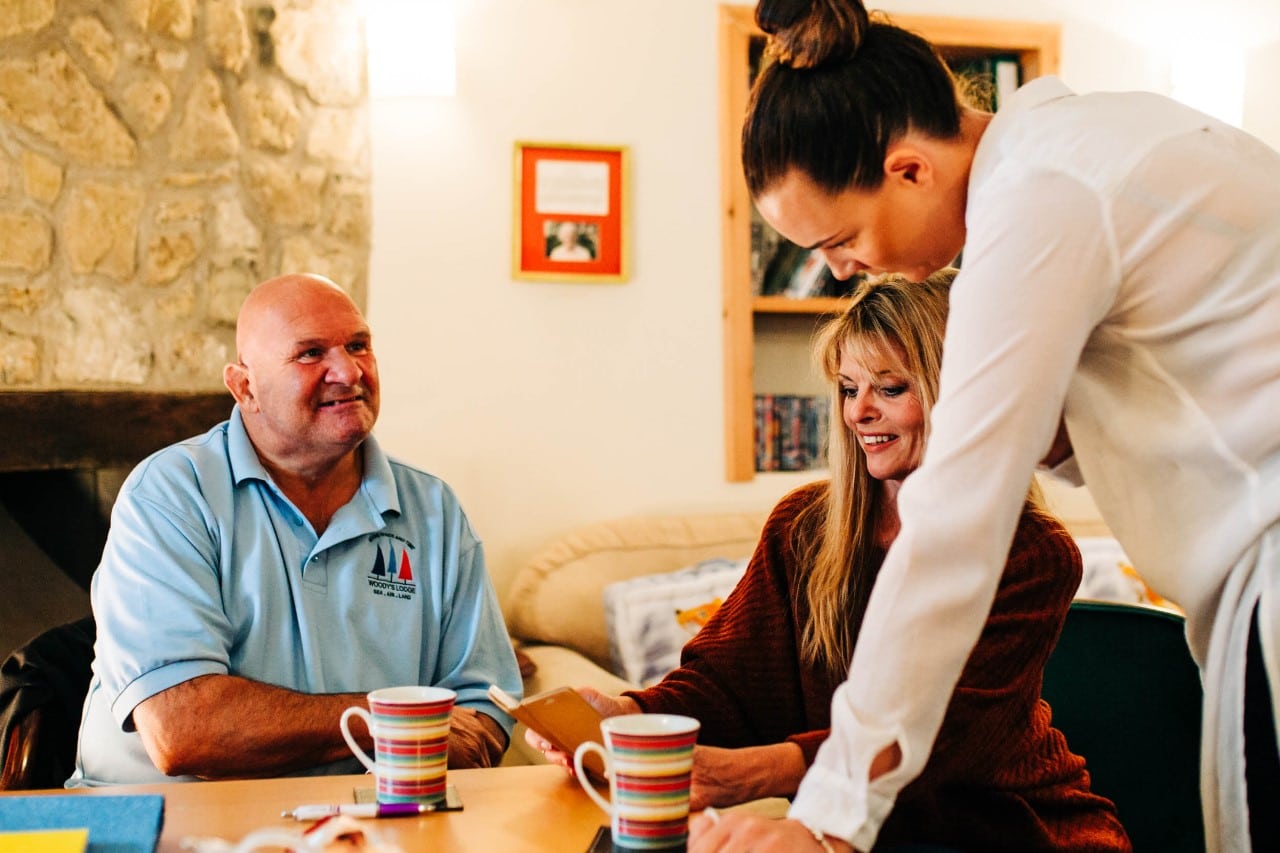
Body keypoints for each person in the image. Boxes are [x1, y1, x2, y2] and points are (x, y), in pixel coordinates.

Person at [690, 1, 1280, 851]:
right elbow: (1186, 387)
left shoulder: (1038, 199)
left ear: (909, 169)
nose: (838, 269)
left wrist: (826, 822)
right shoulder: (1102, 141)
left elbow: (954, 525)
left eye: (841, 237)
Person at [531, 272, 1130, 851]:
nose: (858, 413)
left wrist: (756, 774)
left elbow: (942, 741)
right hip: (853, 836)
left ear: (962, 395)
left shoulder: (1032, 554)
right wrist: (631, 712)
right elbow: (727, 683)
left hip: (1007, 831)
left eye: (890, 389)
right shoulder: (803, 528)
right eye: (849, 389)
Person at [67, 273, 523, 786]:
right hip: (164, 825)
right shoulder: (171, 494)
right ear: (245, 387)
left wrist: (444, 738)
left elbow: (486, 710)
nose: (347, 371)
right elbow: (185, 730)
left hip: (366, 822)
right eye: (310, 354)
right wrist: (385, 721)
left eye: (359, 345)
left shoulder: (434, 509)